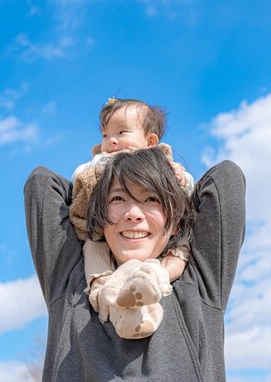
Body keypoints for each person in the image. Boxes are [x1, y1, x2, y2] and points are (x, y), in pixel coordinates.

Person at [24, 147, 246, 381]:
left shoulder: (199, 282)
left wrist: (162, 168)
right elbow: (41, 184)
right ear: (99, 218)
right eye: (118, 198)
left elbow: (226, 178)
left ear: (175, 223)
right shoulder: (72, 282)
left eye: (152, 198)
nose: (133, 213)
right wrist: (108, 163)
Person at [69, 97, 194, 338]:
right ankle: (107, 296)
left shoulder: (164, 164)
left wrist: (180, 178)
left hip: (165, 254)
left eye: (121, 132)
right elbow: (73, 179)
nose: (111, 141)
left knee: (181, 252)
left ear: (150, 141)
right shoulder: (101, 162)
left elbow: (193, 187)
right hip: (98, 236)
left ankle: (156, 278)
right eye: (105, 135)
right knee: (94, 251)